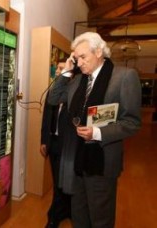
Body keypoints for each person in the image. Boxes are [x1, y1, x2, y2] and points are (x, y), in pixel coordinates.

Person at [48, 32, 142, 227]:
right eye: (76, 58)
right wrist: (66, 71)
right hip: (76, 159)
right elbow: (53, 98)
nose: (79, 62)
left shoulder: (124, 77)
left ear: (99, 51)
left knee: (101, 218)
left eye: (83, 57)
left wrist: (97, 133)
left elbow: (132, 122)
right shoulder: (76, 80)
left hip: (102, 162)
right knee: (79, 214)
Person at [40, 62, 71, 227]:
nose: (57, 71)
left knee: (63, 181)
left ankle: (54, 216)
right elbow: (46, 118)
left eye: (61, 68)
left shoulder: (74, 92)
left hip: (68, 145)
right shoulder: (52, 91)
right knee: (57, 179)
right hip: (53, 143)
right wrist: (44, 140)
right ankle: (61, 211)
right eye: (58, 68)